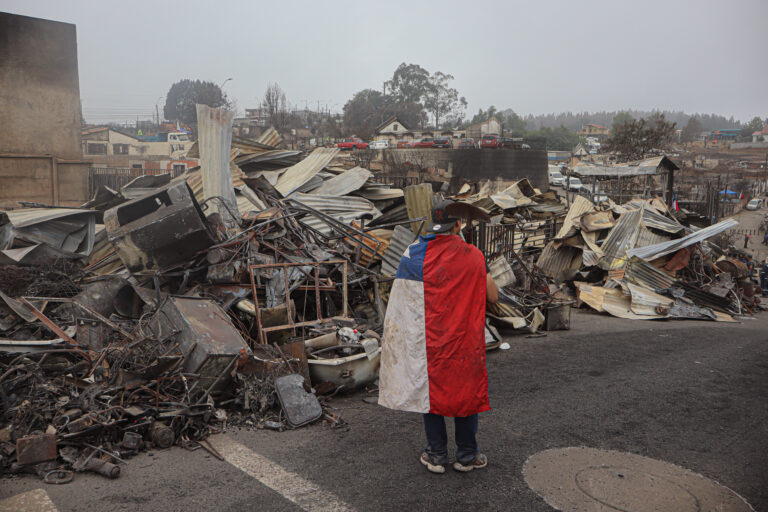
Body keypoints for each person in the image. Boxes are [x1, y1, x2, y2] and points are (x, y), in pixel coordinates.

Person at [378, 200, 499, 474]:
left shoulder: (413, 254)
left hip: (428, 342)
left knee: (429, 393)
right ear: (458, 225)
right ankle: (467, 456)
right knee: (465, 395)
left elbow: (402, 303)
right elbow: (492, 296)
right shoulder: (474, 256)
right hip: (465, 342)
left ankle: (436, 455)